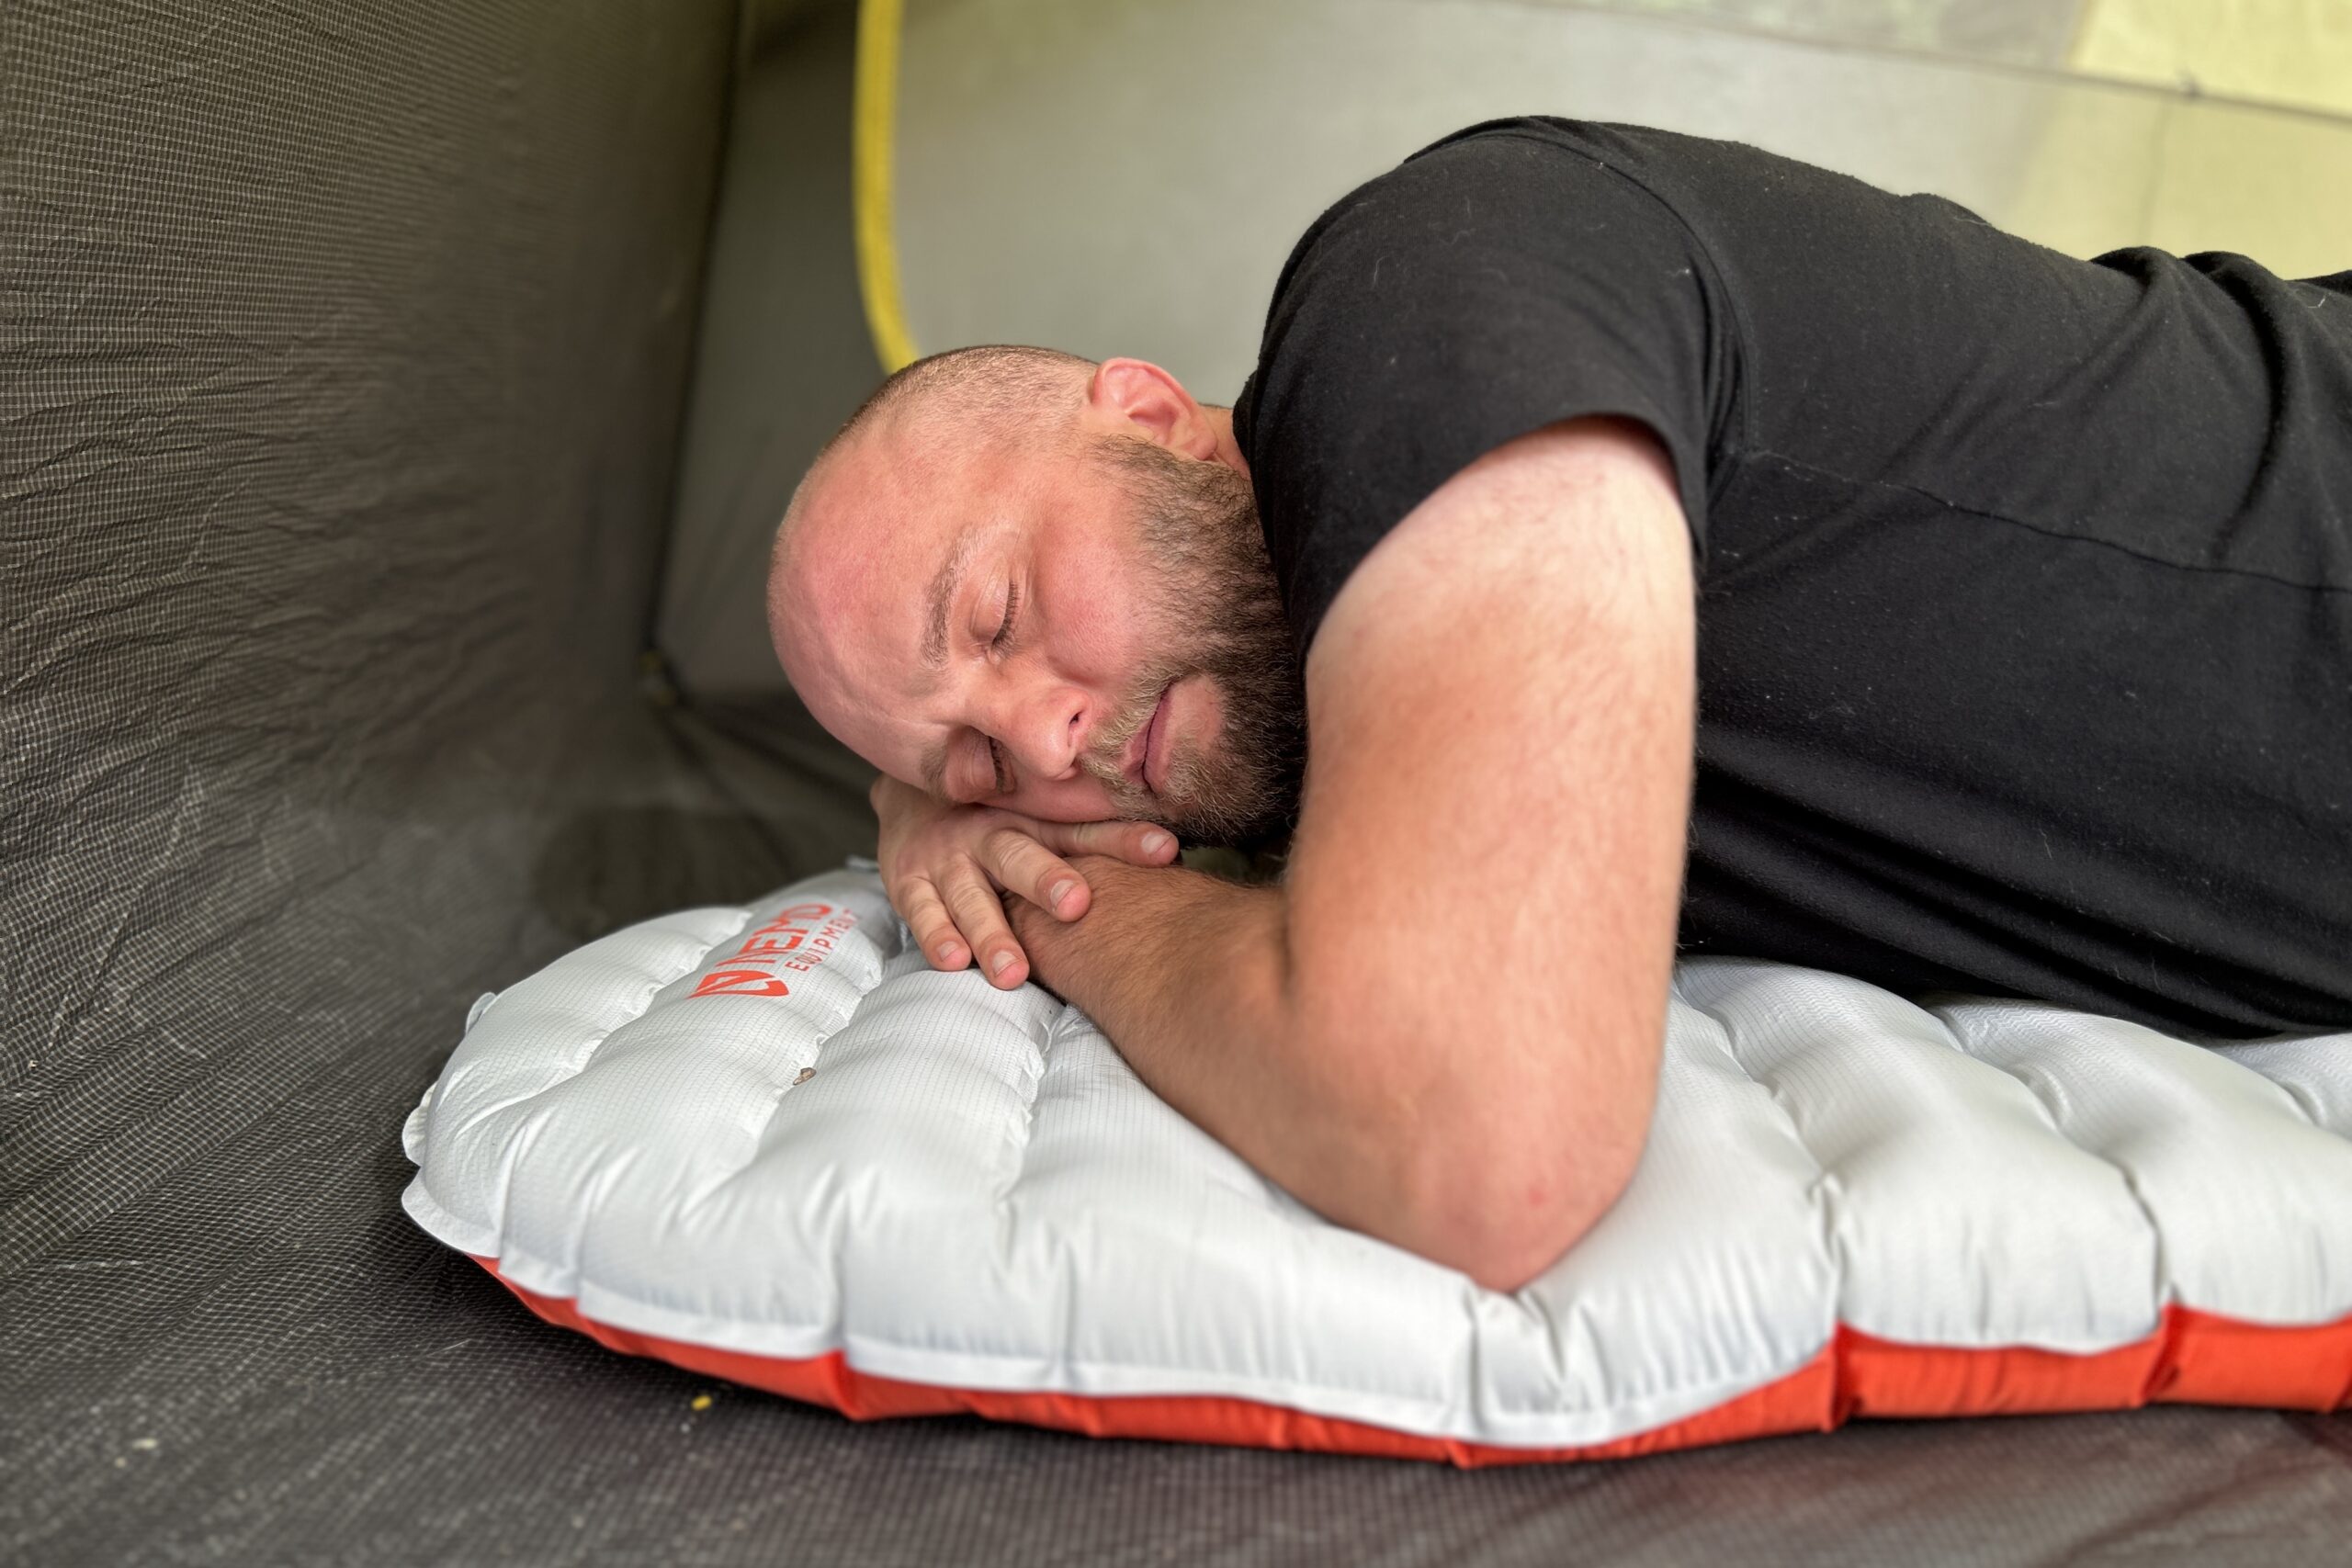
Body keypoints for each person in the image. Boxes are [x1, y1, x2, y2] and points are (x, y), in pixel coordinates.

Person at [766, 117, 2352, 1292]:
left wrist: (1061, 898)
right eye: (981, 756)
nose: (1042, 737)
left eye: (998, 612)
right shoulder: (1314, 726)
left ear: (1147, 413)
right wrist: (933, 806)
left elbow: (1470, 1145)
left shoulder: (1416, 298)